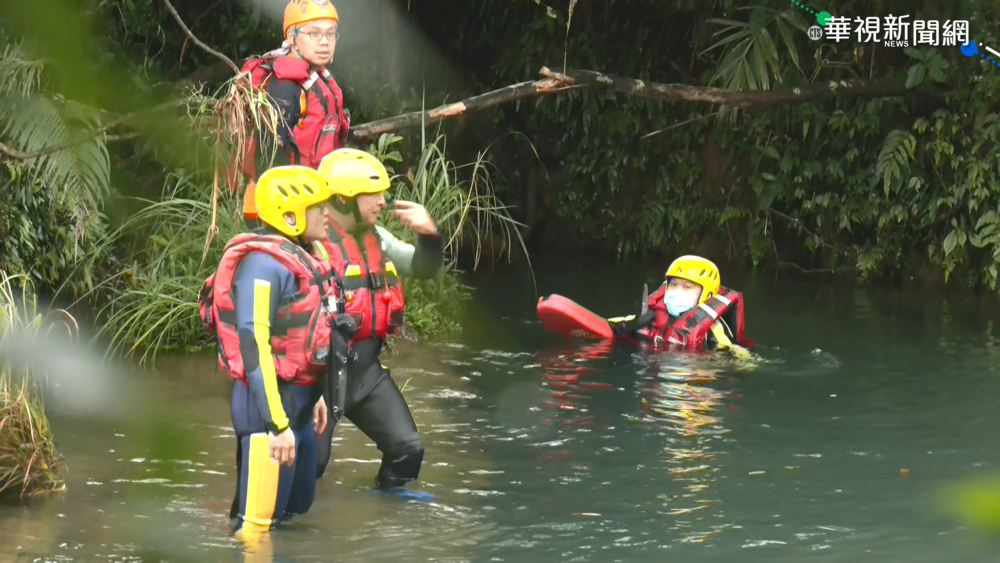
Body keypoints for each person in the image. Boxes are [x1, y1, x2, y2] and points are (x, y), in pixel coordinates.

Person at [198, 165, 347, 535]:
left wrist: (315, 395)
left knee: (295, 510)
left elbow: (299, 340)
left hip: (297, 406)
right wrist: (276, 424)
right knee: (256, 531)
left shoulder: (302, 255)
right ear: (290, 215)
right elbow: (253, 342)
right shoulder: (262, 265)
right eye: (319, 206)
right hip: (267, 414)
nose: (327, 214)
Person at [312, 148, 443, 496]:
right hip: (317, 378)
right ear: (344, 198)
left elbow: (422, 267)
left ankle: (389, 510)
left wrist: (430, 236)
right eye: (375, 194)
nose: (383, 201)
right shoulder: (311, 241)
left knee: (407, 449)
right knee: (311, 467)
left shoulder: (378, 238)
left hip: (363, 372)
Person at [226, 0, 351, 229]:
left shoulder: (317, 79)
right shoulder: (283, 86)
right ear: (291, 38)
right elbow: (271, 158)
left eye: (330, 34)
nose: (324, 42)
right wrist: (285, 218)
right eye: (314, 34)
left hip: (310, 204)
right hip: (276, 210)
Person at [607, 255, 754, 357]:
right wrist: (627, 327)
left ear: (707, 296)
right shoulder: (648, 317)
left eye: (687, 287)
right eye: (673, 284)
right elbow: (612, 324)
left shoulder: (715, 331)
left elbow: (735, 354)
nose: (677, 291)